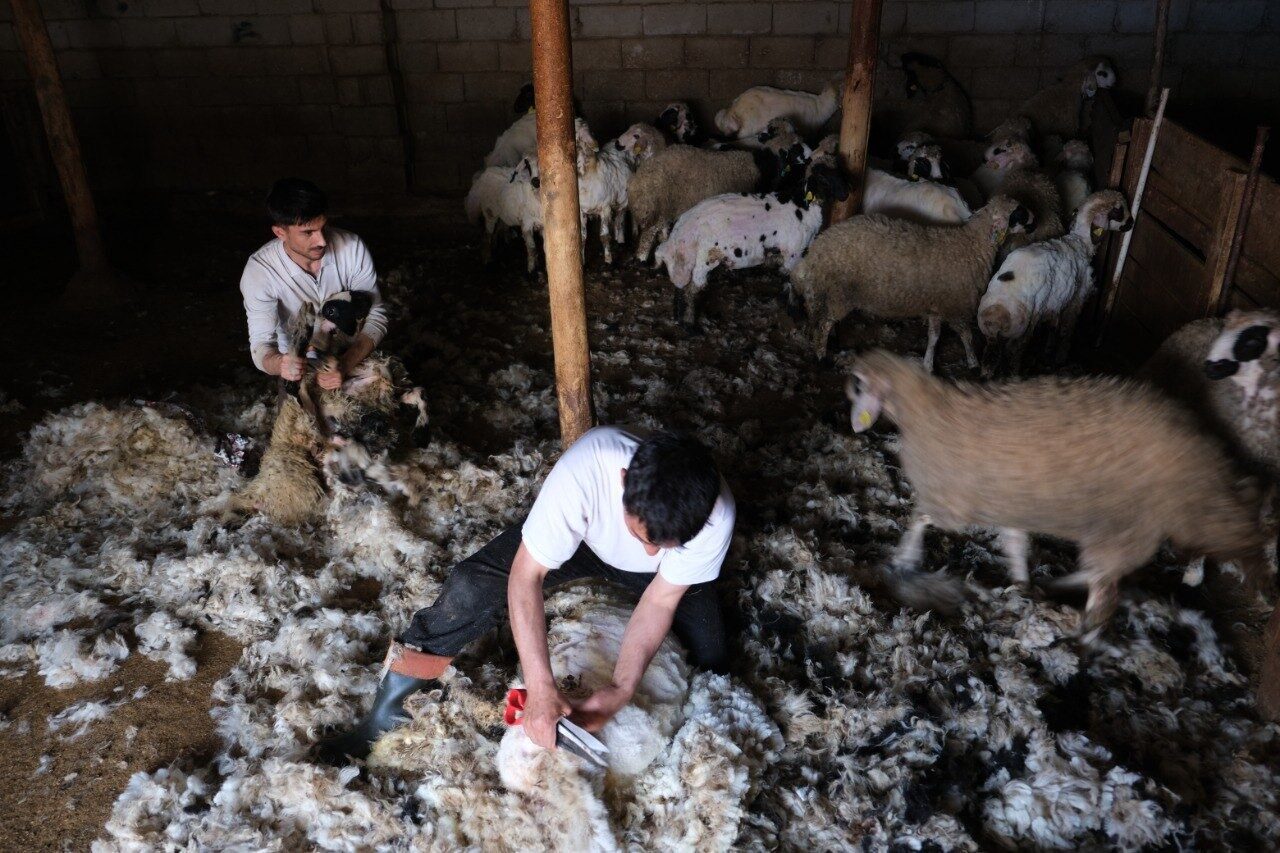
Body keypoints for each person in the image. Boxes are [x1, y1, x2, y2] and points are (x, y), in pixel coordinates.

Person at [318, 426, 735, 762]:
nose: (647, 552)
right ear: (623, 482)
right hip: (585, 543)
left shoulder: (714, 515)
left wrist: (622, 688)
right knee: (470, 585)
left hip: (665, 579)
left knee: (713, 656)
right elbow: (526, 575)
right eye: (640, 535)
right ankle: (386, 709)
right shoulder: (587, 467)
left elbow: (661, 598)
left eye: (663, 543)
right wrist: (540, 687)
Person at [240, 178, 389, 389]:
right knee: (302, 419)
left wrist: (345, 364)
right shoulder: (260, 272)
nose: (322, 241)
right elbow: (261, 345)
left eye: (323, 227)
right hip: (298, 365)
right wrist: (282, 364)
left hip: (353, 354)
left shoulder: (352, 247)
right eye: (308, 233)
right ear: (280, 233)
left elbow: (376, 315)